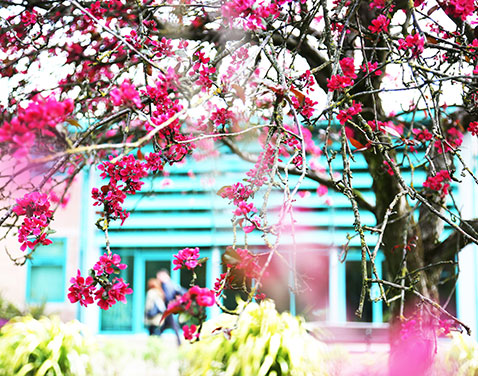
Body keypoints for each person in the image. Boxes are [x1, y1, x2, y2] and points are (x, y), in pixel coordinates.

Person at [156, 269, 185, 344]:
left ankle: (179, 343)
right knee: (166, 326)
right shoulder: (168, 284)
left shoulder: (168, 285)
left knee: (172, 326)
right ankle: (157, 339)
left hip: (169, 309)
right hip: (169, 309)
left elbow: (169, 297)